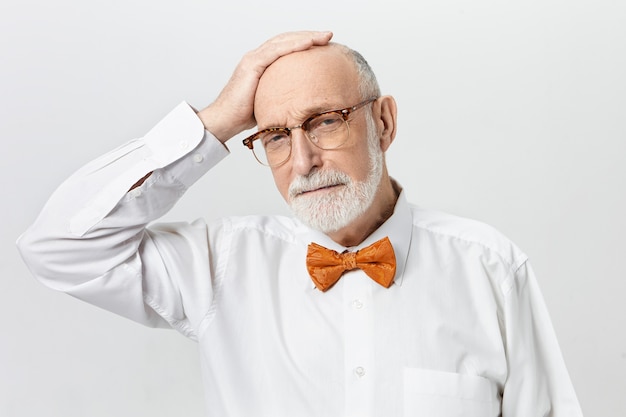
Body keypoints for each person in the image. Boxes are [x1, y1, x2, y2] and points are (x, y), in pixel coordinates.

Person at [17, 31, 583, 416]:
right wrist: (217, 121)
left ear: (383, 122)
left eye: (325, 122)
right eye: (277, 136)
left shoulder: (489, 265)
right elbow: (58, 245)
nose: (304, 161)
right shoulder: (219, 265)